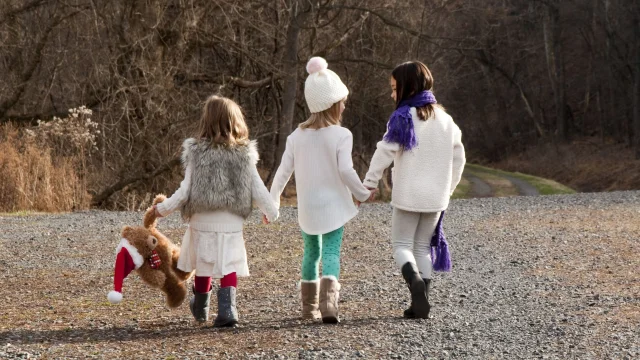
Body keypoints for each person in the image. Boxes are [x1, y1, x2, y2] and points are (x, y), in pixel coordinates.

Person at [154, 95, 278, 327]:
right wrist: (271, 212)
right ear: (236, 122)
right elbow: (258, 188)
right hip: (230, 223)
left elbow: (184, 191)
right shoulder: (243, 155)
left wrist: (162, 209)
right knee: (228, 264)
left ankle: (201, 307)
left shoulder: (197, 153)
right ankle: (227, 311)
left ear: (206, 121)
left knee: (204, 263)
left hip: (201, 221)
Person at [269, 57, 372, 323]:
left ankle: (308, 309)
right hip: (334, 207)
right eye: (342, 101)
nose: (344, 105)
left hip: (308, 209)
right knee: (330, 253)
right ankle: (329, 306)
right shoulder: (342, 135)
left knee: (311, 254)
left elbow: (282, 172)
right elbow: (347, 171)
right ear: (332, 104)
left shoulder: (296, 137)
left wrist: (273, 202)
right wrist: (361, 194)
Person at [363, 61, 466, 319]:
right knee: (422, 247)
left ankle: (414, 281)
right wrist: (448, 188)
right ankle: (421, 302)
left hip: (408, 196)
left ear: (408, 88)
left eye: (395, 88)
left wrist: (370, 183)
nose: (392, 94)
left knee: (401, 245)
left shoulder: (403, 117)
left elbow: (384, 151)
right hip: (436, 199)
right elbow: (459, 158)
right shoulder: (446, 120)